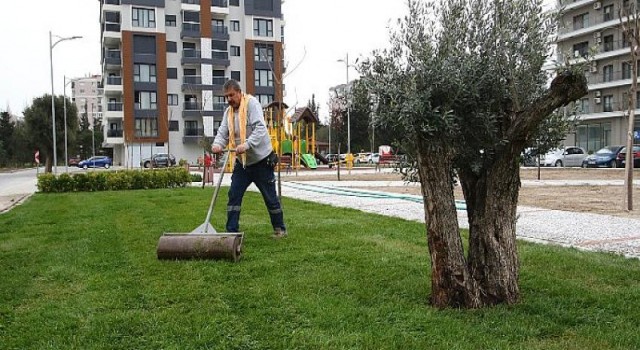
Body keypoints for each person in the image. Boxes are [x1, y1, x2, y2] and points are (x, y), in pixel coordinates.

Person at [211, 79, 287, 238]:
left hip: (261, 161)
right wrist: (217, 145)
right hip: (243, 163)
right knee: (234, 194)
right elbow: (223, 133)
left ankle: (280, 229)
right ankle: (231, 232)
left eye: (231, 95)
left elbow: (260, 129)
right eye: (226, 96)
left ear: (239, 92)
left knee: (270, 197)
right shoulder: (228, 113)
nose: (229, 99)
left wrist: (246, 145)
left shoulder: (252, 104)